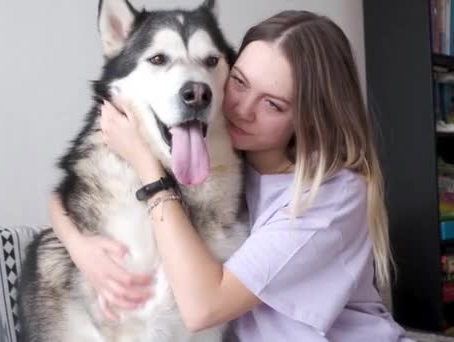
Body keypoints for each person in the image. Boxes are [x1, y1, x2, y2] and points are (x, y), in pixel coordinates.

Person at [48, 10, 411, 341]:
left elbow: (202, 307)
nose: (241, 109)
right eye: (239, 81)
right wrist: (80, 248)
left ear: (310, 119)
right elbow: (70, 191)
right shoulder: (233, 158)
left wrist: (145, 165)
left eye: (272, 104)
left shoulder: (329, 195)